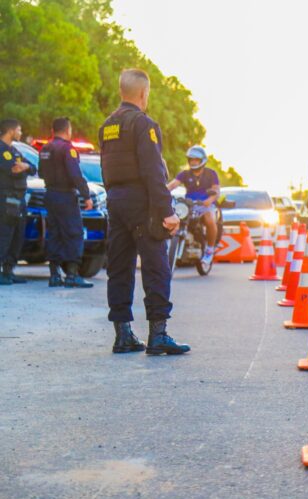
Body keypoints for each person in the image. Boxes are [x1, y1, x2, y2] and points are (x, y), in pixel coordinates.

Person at [99, 68, 190, 355]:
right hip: (141, 201)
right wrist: (167, 211)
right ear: (143, 93)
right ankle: (158, 335)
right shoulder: (143, 124)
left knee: (120, 267)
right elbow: (153, 171)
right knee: (155, 265)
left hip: (115, 199)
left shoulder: (107, 126)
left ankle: (123, 334)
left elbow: (105, 168)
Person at [38, 117, 94, 288]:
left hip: (50, 194)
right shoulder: (68, 149)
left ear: (53, 131)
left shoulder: (45, 148)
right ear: (68, 130)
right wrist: (86, 195)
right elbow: (75, 175)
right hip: (65, 196)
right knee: (73, 233)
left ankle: (54, 275)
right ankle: (72, 275)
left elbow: (41, 172)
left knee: (54, 233)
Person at [166, 146, 220, 265]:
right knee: (173, 218)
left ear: (202, 160)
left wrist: (209, 200)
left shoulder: (211, 174)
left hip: (205, 205)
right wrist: (161, 192)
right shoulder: (184, 174)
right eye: (191, 159)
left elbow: (216, 191)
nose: (193, 162)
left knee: (209, 218)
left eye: (196, 159)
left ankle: (209, 250)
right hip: (189, 205)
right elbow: (173, 184)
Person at [0, 119, 37, 285]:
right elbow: (13, 169)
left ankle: (9, 270)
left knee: (17, 235)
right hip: (6, 198)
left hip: (19, 198)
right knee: (5, 235)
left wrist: (25, 167)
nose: (20, 133)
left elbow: (32, 167)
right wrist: (21, 167)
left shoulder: (15, 150)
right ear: (11, 131)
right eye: (19, 130)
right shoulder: (2, 150)